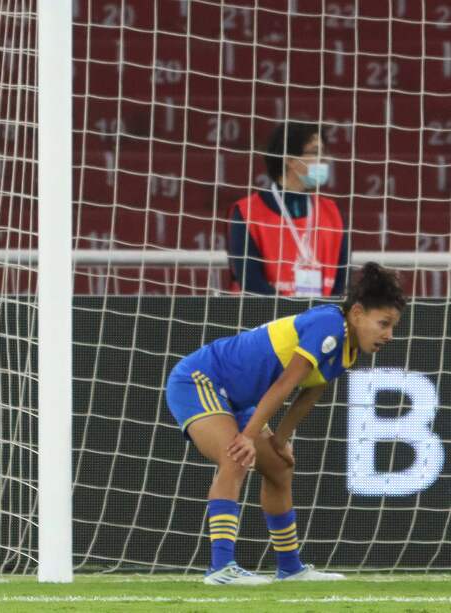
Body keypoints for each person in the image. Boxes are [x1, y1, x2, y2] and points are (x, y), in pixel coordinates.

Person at [165, 262, 405, 584]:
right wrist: (249, 437)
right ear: (358, 313)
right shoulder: (327, 324)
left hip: (238, 400)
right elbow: (285, 385)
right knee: (235, 455)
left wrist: (279, 440)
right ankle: (221, 569)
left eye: (393, 327)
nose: (389, 335)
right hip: (201, 380)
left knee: (279, 467)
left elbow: (308, 395)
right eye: (384, 324)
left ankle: (290, 569)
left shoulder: (347, 352)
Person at [228, 122, 348, 296]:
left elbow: (340, 283)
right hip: (268, 319)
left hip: (321, 320)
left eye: (323, 153)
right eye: (315, 152)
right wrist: (293, 319)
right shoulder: (247, 213)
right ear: (290, 159)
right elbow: (251, 282)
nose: (323, 161)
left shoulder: (333, 213)